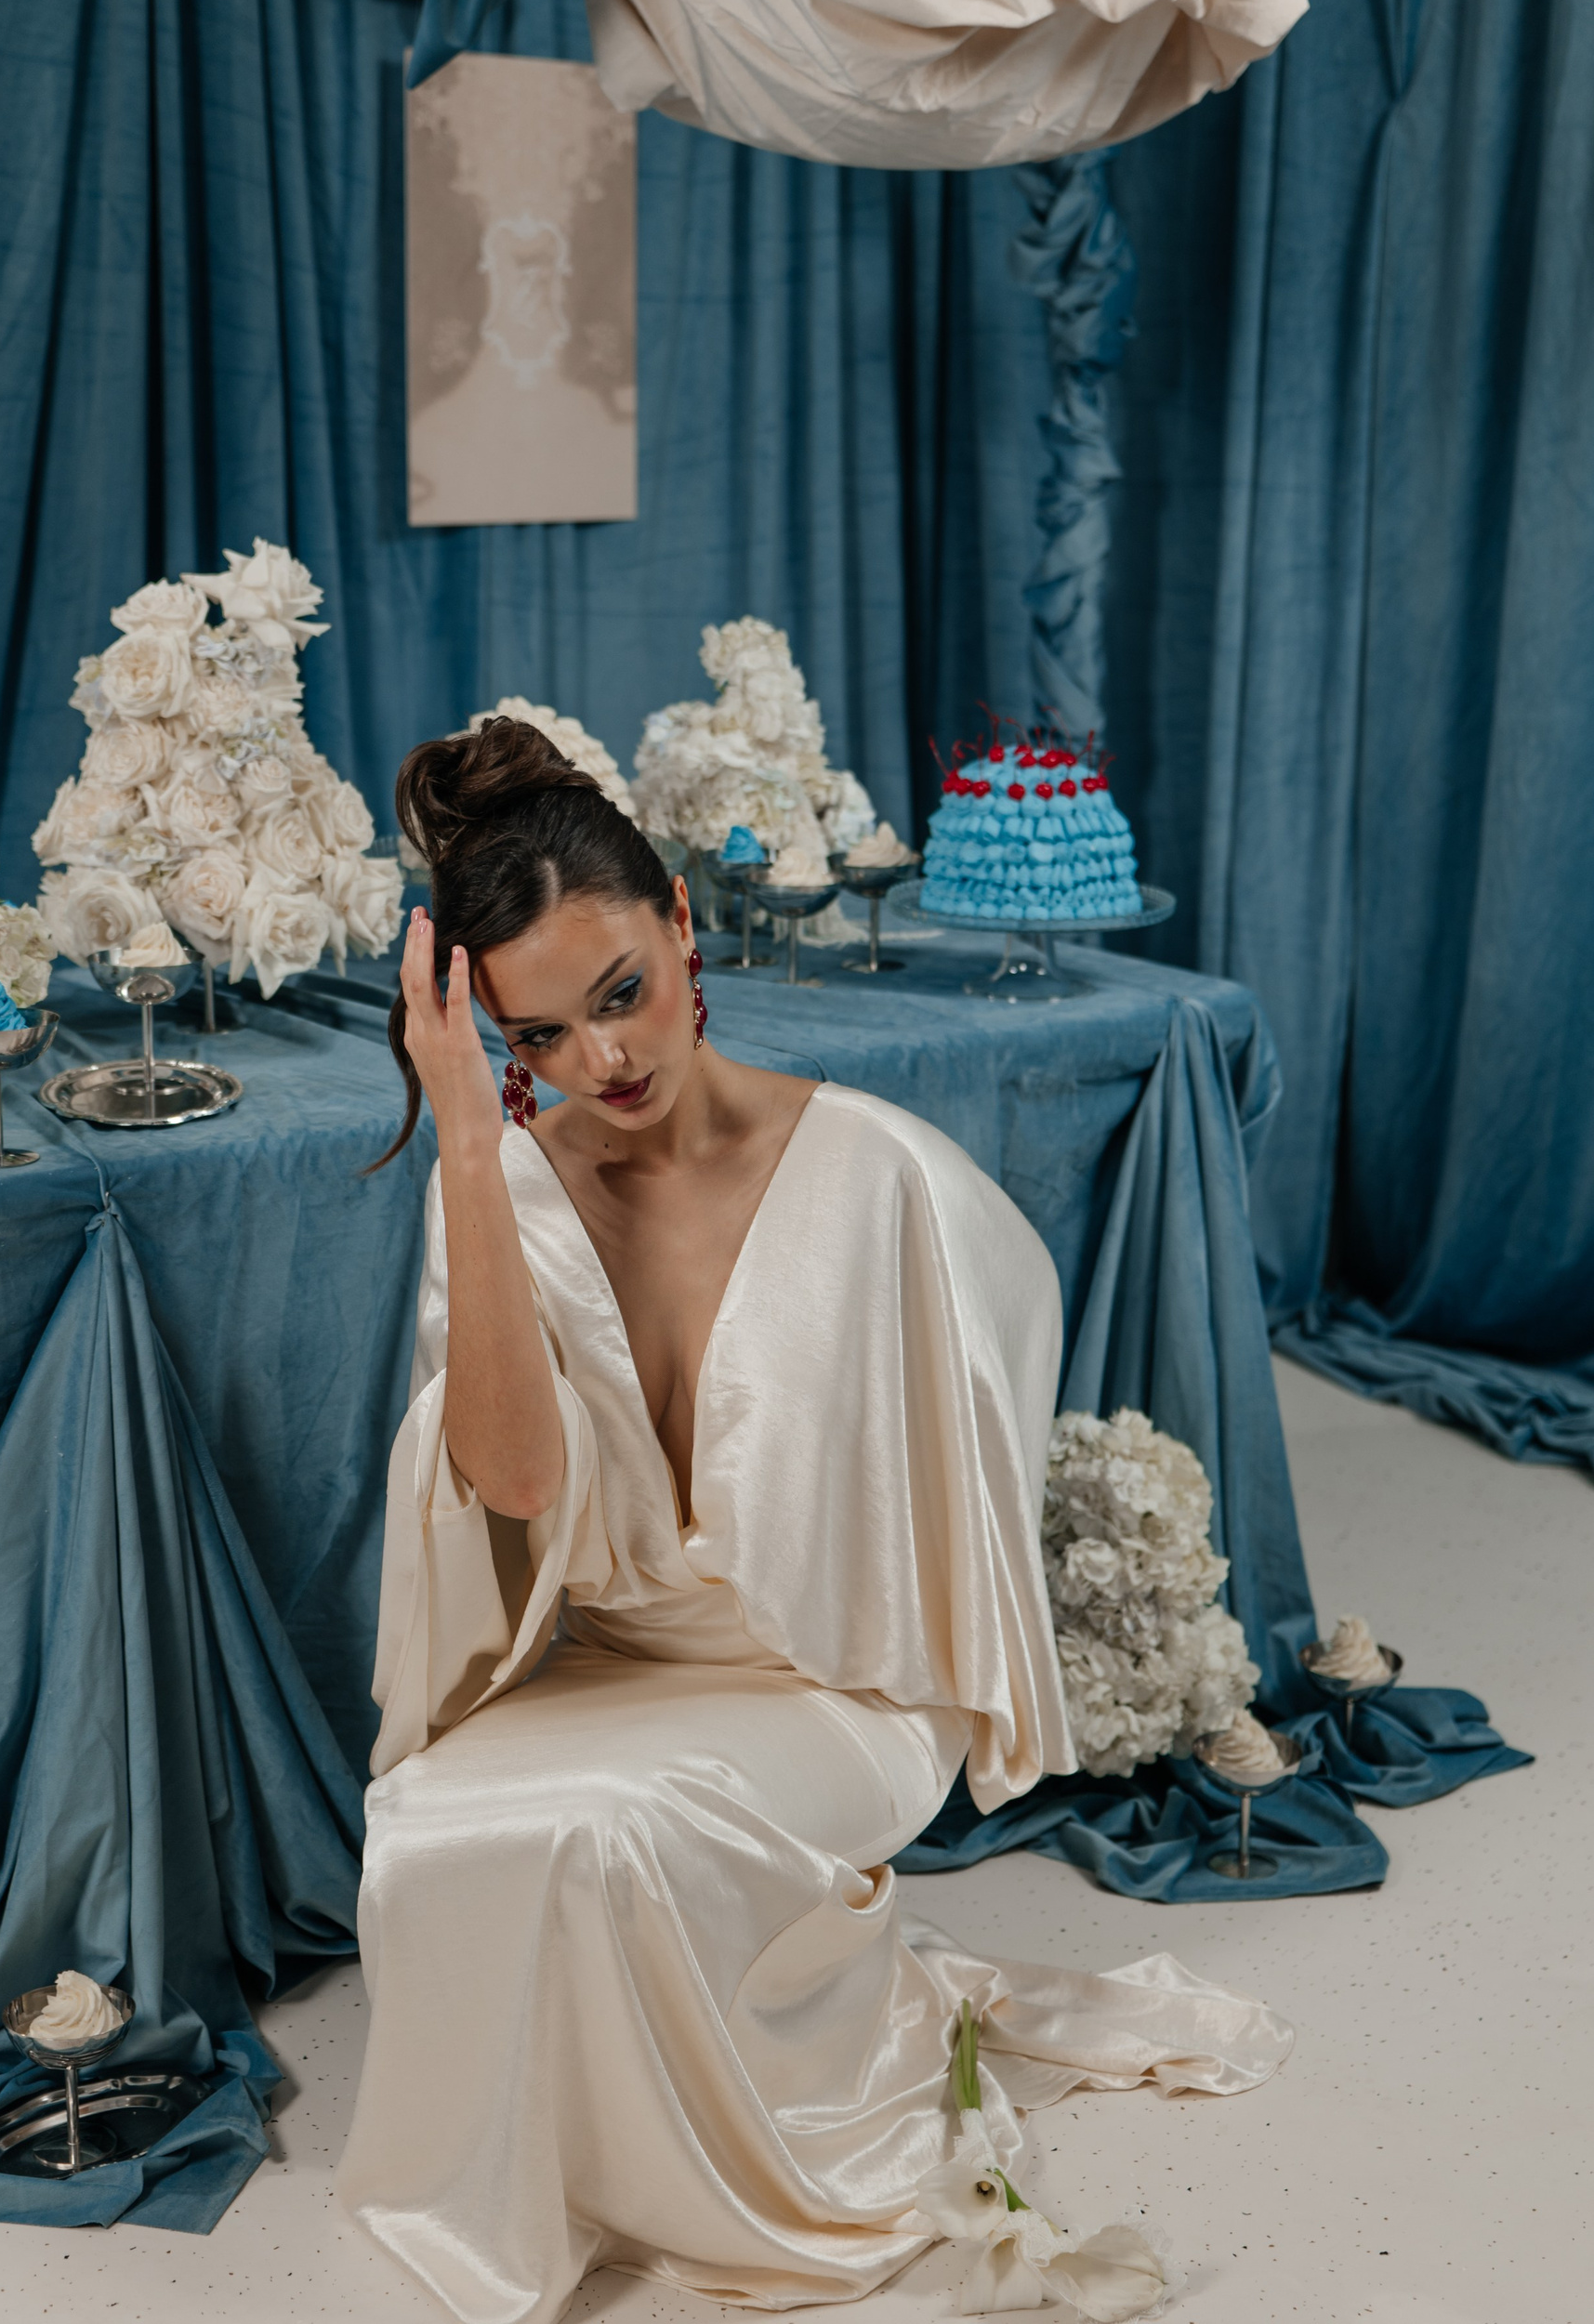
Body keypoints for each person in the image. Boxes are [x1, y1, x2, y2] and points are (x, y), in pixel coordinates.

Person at [337, 717, 1289, 2324]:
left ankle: (720, 2159)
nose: (602, 1061)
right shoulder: (507, 1188)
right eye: (541, 1034)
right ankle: (581, 2167)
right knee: (433, 1819)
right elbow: (514, 1482)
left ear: (683, 925)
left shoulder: (879, 1178)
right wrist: (471, 1151)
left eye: (621, 993)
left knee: (608, 1831)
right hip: (616, 1674)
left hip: (834, 1688)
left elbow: (965, 1485)